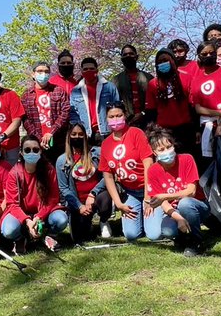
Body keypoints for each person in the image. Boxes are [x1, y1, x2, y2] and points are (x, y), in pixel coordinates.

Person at [144, 126, 209, 257]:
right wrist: (178, 219)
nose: (166, 151)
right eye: (161, 150)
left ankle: (196, 241)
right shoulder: (153, 170)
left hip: (197, 205)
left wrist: (164, 196)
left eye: (169, 147)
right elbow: (163, 203)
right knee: (167, 231)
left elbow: (191, 191)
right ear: (154, 152)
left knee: (185, 203)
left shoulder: (187, 159)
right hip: (174, 210)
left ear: (174, 145)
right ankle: (182, 235)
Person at [98, 102, 154, 241]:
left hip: (148, 189)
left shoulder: (136, 133)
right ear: (106, 119)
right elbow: (108, 177)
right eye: (111, 116)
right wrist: (118, 203)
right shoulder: (106, 144)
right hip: (130, 192)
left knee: (154, 234)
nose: (115, 119)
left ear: (125, 116)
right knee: (131, 235)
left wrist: (148, 197)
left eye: (119, 115)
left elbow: (149, 165)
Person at [0, 135, 69, 247]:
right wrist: (27, 221)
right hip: (21, 213)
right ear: (21, 153)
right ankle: (20, 238)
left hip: (43, 213)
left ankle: (49, 235)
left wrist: (38, 217)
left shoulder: (49, 170)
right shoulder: (14, 173)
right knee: (9, 230)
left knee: (61, 219)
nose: (31, 152)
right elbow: (12, 204)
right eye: (27, 150)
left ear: (40, 152)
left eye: (35, 150)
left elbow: (53, 199)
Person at [57, 123, 113, 242]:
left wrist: (93, 193)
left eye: (81, 134)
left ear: (85, 136)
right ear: (68, 137)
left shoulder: (97, 153)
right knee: (79, 237)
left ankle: (103, 220)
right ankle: (87, 221)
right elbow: (63, 188)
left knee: (105, 197)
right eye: (74, 134)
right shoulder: (62, 160)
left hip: (96, 197)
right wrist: (79, 206)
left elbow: (107, 176)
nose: (77, 137)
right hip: (77, 202)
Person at [189, 39, 221, 170]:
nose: (208, 56)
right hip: (207, 126)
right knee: (211, 164)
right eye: (204, 53)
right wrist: (220, 113)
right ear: (199, 56)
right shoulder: (196, 80)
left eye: (211, 52)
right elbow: (198, 108)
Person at [146, 48, 197, 155]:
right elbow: (151, 111)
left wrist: (197, 130)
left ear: (173, 61)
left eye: (165, 60)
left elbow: (193, 106)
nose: (162, 64)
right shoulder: (152, 84)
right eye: (159, 62)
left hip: (186, 129)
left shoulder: (186, 78)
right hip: (164, 131)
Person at [21, 62, 71, 161]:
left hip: (58, 140)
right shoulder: (26, 95)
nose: (43, 74)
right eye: (40, 71)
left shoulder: (59, 91)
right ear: (33, 74)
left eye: (46, 71)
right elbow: (25, 119)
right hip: (36, 143)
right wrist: (39, 138)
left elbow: (65, 112)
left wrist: (51, 132)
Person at [69, 56, 120, 142]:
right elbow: (73, 113)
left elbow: (117, 109)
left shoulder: (109, 87)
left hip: (107, 132)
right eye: (85, 69)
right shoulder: (76, 91)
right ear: (81, 71)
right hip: (86, 134)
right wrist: (78, 130)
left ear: (97, 70)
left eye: (91, 68)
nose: (89, 71)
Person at [113, 45, 152, 127]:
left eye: (131, 54)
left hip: (148, 121)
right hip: (127, 122)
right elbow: (115, 102)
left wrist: (143, 113)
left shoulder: (149, 78)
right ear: (121, 59)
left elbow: (153, 101)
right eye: (125, 54)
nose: (128, 56)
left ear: (136, 57)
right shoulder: (116, 80)